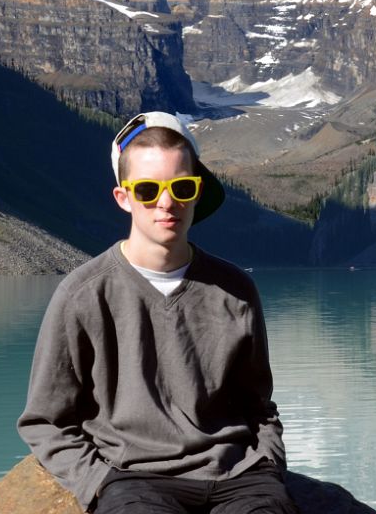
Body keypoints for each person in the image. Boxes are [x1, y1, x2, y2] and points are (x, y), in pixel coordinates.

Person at [18, 112, 297, 514]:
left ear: (197, 192)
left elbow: (258, 405)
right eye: (148, 189)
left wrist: (268, 462)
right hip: (135, 480)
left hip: (240, 478)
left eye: (181, 187)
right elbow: (44, 421)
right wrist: (97, 482)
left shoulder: (236, 289)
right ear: (124, 197)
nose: (167, 203)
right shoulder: (82, 294)